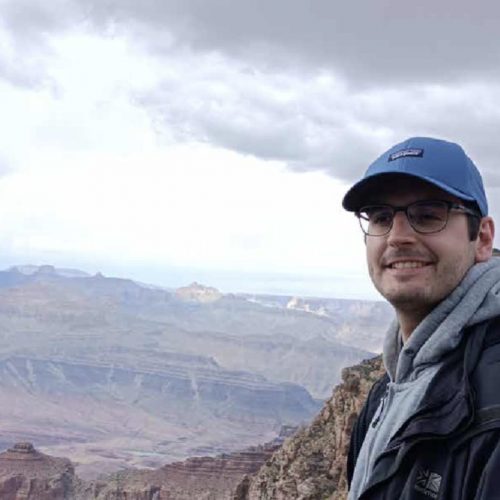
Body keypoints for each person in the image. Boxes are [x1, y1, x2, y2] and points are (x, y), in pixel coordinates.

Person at [342, 137, 500, 500]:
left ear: (482, 239)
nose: (397, 237)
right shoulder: (388, 390)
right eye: (381, 217)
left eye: (428, 215)